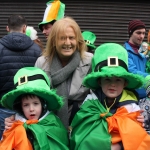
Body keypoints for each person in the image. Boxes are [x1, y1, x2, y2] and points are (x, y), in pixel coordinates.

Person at [4, 16, 93, 131]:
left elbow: (97, 98)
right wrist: (17, 117)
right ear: (54, 41)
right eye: (62, 38)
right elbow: (31, 98)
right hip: (49, 127)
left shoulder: (89, 61)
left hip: (82, 125)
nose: (67, 42)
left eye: (71, 38)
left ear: (78, 40)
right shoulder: (41, 63)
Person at [70, 43, 150, 150]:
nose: (113, 84)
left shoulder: (131, 106)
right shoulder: (91, 101)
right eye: (107, 79)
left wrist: (136, 122)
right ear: (99, 81)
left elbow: (136, 135)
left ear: (125, 83)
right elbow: (81, 129)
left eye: (118, 79)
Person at [0, 67, 69, 150]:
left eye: (36, 103)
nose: (31, 109)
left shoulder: (53, 123)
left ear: (43, 104)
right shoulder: (14, 125)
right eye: (26, 105)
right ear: (20, 107)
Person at [0, 14, 41, 139]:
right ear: (24, 28)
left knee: (5, 141)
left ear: (7, 28)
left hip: (3, 106)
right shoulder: (36, 49)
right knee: (28, 141)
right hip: (30, 108)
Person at [124, 19, 149, 99]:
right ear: (131, 33)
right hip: (132, 97)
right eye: (138, 33)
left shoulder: (144, 52)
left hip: (145, 96)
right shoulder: (125, 52)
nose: (141, 36)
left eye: (143, 33)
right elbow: (132, 72)